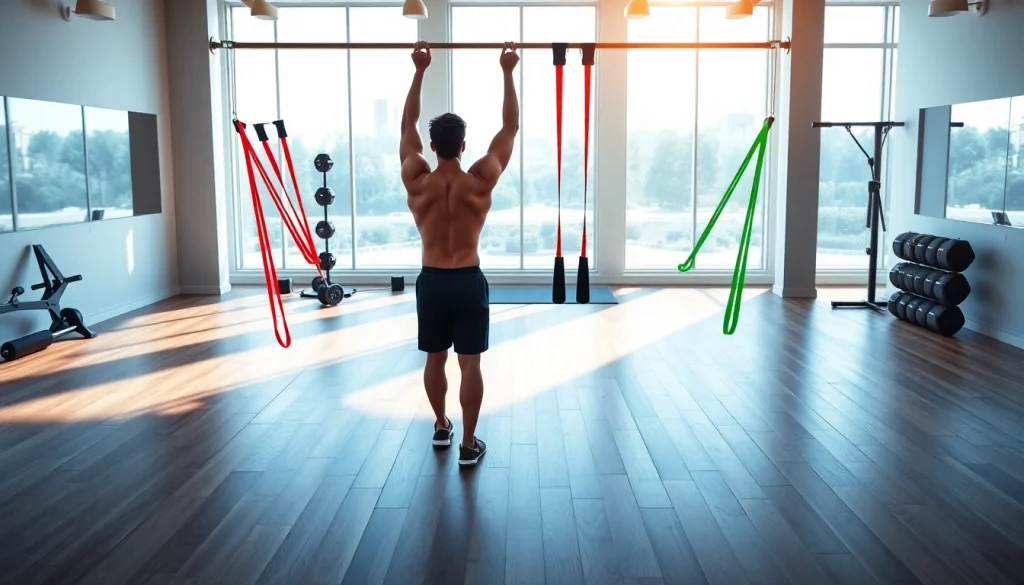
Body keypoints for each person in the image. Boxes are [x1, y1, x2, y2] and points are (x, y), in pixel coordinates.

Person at [399, 41, 520, 468]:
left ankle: (439, 425)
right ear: (464, 145)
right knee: (470, 365)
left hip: (432, 279)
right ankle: (469, 445)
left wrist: (419, 70)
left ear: (432, 145)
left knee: (436, 358)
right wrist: (507, 71)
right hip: (468, 280)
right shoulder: (480, 180)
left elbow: (406, 126)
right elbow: (510, 130)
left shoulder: (417, 177)